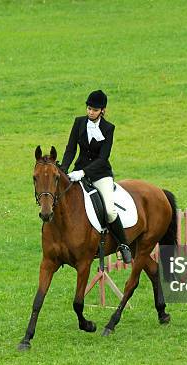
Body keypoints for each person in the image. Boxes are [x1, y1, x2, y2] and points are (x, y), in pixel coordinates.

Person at [59, 90, 132, 263]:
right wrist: (63, 169)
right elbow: (71, 149)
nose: (90, 112)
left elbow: (103, 158)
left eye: (94, 109)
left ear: (102, 111)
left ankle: (123, 245)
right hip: (78, 172)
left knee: (109, 210)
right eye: (89, 108)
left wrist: (84, 172)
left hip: (100, 174)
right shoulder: (79, 123)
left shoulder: (108, 128)